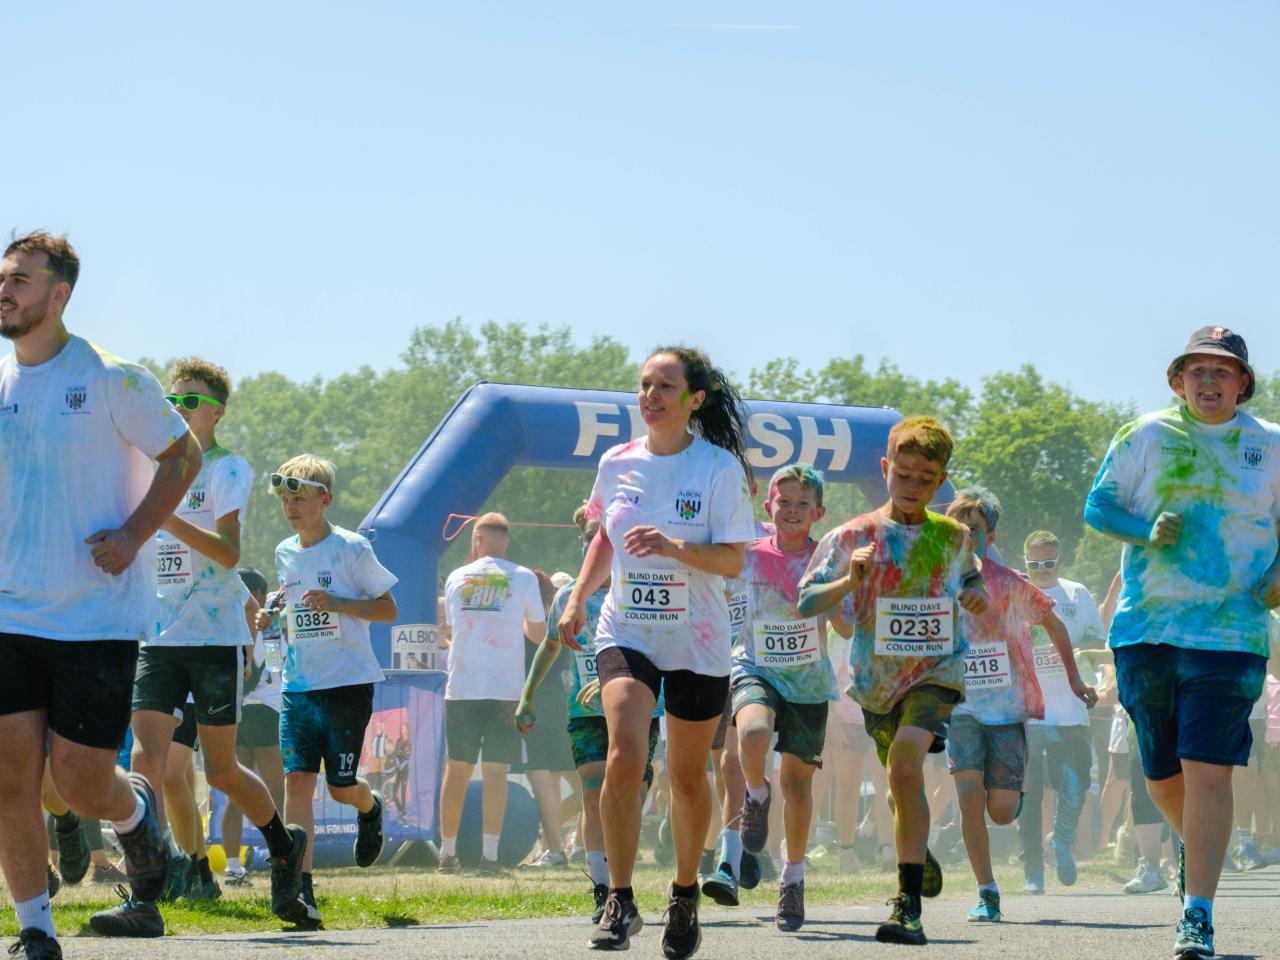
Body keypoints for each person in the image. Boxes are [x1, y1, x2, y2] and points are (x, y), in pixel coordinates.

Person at [0, 231, 202, 958]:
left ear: (58, 296)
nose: (6, 289)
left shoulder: (114, 377)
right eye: (3, 277)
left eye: (21, 280)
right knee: (9, 779)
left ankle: (137, 811)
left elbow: (185, 454)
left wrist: (135, 533)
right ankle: (35, 929)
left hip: (95, 616)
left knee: (81, 783)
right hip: (9, 612)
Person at [1085, 327, 1280, 960]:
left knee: (1210, 771)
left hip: (1232, 632)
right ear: (1177, 381)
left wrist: (1278, 579)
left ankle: (1197, 913)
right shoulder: (1144, 434)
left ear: (1242, 383)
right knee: (1161, 774)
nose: (1209, 381)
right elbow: (1098, 508)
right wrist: (1144, 531)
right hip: (1148, 629)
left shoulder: (1269, 444)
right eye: (1197, 371)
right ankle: (1194, 846)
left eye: (1222, 372)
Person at [560, 346, 756, 958]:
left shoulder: (718, 469)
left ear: (694, 399)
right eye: (645, 384)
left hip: (698, 640)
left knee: (686, 775)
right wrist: (578, 598)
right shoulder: (616, 462)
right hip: (628, 631)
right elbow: (605, 539)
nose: (651, 395)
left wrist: (673, 546)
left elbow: (733, 560)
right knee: (624, 754)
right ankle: (619, 898)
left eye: (666, 385)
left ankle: (683, 893)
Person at [120, 357, 306, 932]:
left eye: (191, 401)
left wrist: (166, 519)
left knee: (220, 771)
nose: (179, 409)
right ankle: (171, 873)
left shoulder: (227, 469)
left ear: (217, 411)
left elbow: (229, 555)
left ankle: (282, 844)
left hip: (215, 634)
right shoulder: (153, 468)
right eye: (173, 401)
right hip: (159, 635)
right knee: (151, 762)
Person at [798, 415, 988, 947]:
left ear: (941, 480)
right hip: (875, 683)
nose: (912, 486)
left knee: (905, 764)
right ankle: (915, 843)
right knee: (900, 786)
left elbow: (971, 577)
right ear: (886, 468)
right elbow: (805, 600)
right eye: (903, 474)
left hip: (936, 673)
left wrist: (977, 595)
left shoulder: (953, 536)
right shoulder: (853, 535)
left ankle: (907, 908)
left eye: (926, 479)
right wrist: (847, 579)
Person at [943, 488, 1096, 923]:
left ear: (990, 535)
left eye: (973, 528)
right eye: (957, 528)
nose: (964, 535)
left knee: (1002, 811)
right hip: (963, 710)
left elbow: (1056, 623)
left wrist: (1074, 678)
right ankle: (987, 891)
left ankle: (1016, 792)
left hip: (1008, 710)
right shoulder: (939, 580)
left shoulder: (1009, 582)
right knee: (969, 795)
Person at [706, 464, 847, 932]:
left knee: (799, 785)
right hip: (755, 667)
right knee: (752, 732)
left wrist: (851, 585)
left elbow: (845, 626)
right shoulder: (746, 554)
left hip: (808, 683)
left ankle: (793, 876)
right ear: (768, 506)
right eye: (783, 501)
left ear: (819, 512)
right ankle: (755, 795)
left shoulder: (827, 559)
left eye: (802, 504)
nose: (791, 510)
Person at [261, 454, 398, 926]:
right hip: (299, 684)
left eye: (300, 498)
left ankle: (370, 805)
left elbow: (388, 609)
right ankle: (301, 891)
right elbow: (294, 606)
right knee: (297, 783)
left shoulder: (351, 548)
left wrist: (339, 604)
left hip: (348, 682)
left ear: (326, 500)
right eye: (285, 498)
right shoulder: (284, 551)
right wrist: (272, 615)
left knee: (340, 789)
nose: (291, 506)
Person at [517, 508, 663, 924]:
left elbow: (668, 650)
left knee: (630, 795)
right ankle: (604, 892)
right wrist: (526, 697)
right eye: (587, 536)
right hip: (585, 712)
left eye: (601, 534)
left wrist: (620, 679)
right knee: (595, 792)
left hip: (640, 707)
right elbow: (550, 646)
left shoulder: (645, 587)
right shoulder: (569, 597)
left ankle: (622, 882)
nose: (593, 542)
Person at [437, 513, 545, 875]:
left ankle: (447, 854)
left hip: (463, 687)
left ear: (476, 540)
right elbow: (536, 634)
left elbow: (451, 626)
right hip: (505, 690)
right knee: (497, 773)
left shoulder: (456, 577)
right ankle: (490, 857)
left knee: (457, 771)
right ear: (506, 541)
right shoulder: (523, 576)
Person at [1016, 529, 1106, 893]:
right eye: (1034, 564)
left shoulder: (1076, 594)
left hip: (1071, 711)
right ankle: (1032, 870)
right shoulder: (1014, 593)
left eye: (1048, 563)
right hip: (1029, 714)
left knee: (1076, 788)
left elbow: (1099, 641)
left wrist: (1071, 648)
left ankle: (1062, 837)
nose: (1041, 570)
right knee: (1029, 794)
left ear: (1060, 560)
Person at [222, 569, 287, 886]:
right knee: (276, 790)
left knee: (237, 792)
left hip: (238, 712)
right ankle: (284, 859)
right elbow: (276, 665)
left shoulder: (231, 622)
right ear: (259, 593)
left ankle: (233, 867)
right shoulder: (266, 622)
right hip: (265, 709)